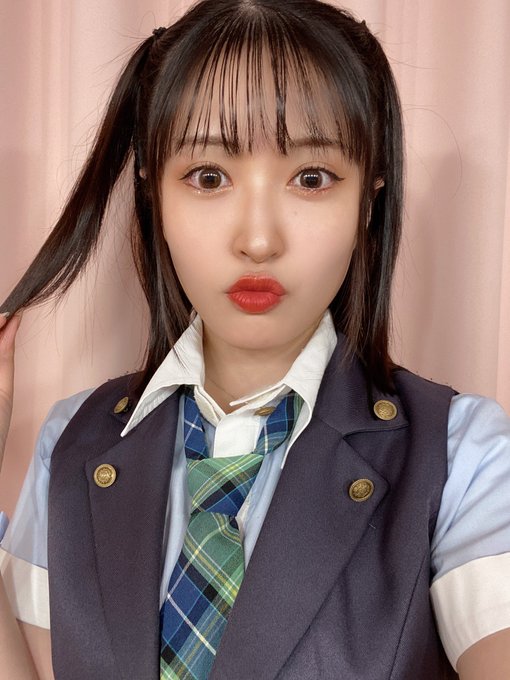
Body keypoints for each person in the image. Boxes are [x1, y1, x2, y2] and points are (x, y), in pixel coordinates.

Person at [0, 0, 509, 678]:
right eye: (209, 177)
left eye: (312, 178)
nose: (259, 239)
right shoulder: (72, 443)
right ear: (152, 188)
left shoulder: (461, 456)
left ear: (370, 192)